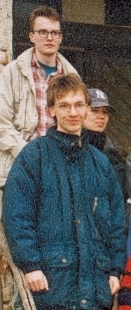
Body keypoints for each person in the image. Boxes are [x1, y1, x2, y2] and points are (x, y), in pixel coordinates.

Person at [2, 73, 126, 310]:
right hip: (51, 287)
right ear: (51, 111)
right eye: (64, 105)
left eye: (79, 105)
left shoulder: (100, 163)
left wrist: (115, 270)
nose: (73, 112)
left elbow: (115, 221)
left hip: (95, 290)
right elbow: (17, 215)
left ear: (86, 108)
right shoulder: (33, 157)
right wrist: (31, 265)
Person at [0, 5, 78, 188]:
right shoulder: (12, 73)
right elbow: (1, 123)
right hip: (19, 165)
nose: (49, 37)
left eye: (54, 32)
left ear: (60, 37)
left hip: (60, 168)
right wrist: (29, 153)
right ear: (31, 36)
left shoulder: (71, 76)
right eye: (42, 32)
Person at [83, 88, 126, 198]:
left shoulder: (112, 153)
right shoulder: (70, 148)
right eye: (95, 110)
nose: (101, 116)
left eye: (105, 112)